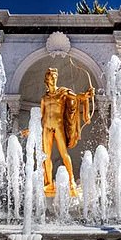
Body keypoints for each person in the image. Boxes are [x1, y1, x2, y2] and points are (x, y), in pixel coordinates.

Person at [40, 68, 94, 196]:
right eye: (51, 77)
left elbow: (76, 97)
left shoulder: (62, 92)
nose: (54, 79)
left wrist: (86, 95)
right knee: (46, 157)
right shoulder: (44, 98)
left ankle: (71, 181)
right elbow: (40, 116)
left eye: (55, 77)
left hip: (58, 127)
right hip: (46, 128)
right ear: (47, 80)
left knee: (64, 154)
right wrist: (31, 129)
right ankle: (48, 182)